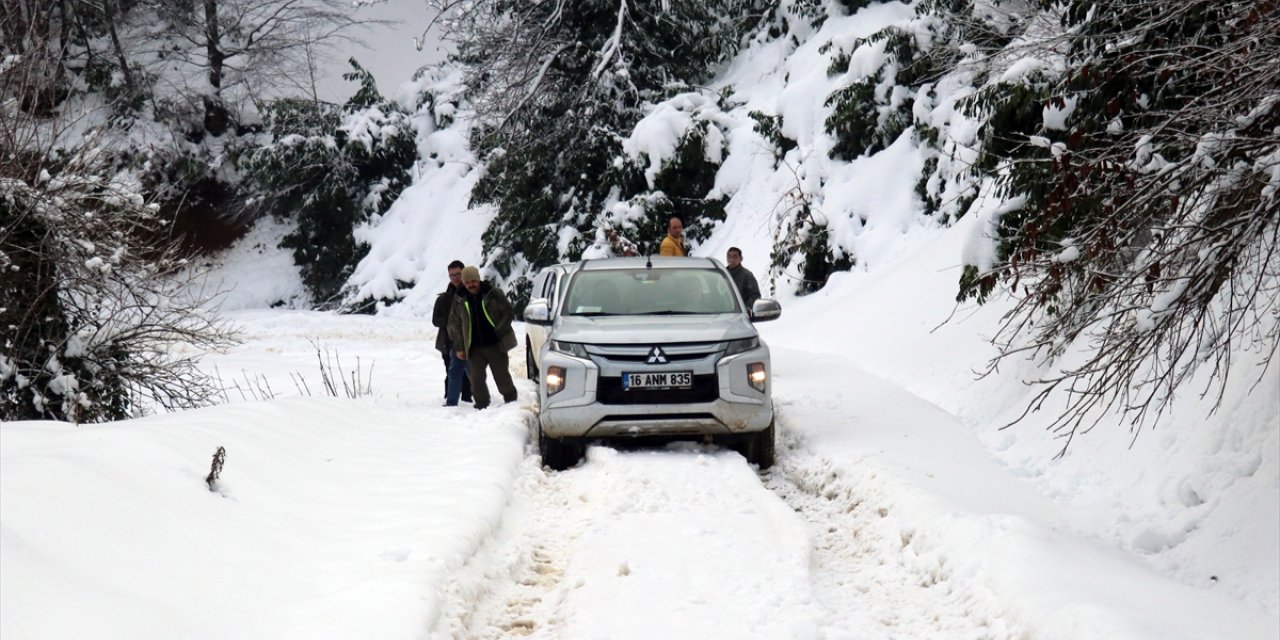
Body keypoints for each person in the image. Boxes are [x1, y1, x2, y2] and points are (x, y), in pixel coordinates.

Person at [447, 265, 519, 410]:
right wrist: (460, 346)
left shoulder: (493, 294)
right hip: (474, 348)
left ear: (478, 280)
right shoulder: (460, 299)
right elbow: (453, 324)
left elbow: (508, 312)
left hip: (495, 345)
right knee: (476, 379)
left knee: (501, 376)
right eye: (467, 282)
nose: (470, 285)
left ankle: (511, 401)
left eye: (473, 281)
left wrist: (499, 331)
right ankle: (481, 405)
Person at [433, 260, 472, 406]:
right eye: (452, 275)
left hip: (469, 341)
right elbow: (436, 320)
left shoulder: (472, 294)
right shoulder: (443, 298)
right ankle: (450, 401)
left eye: (458, 274)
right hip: (448, 342)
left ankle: (468, 400)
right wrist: (452, 321)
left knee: (470, 373)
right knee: (451, 372)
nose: (455, 278)